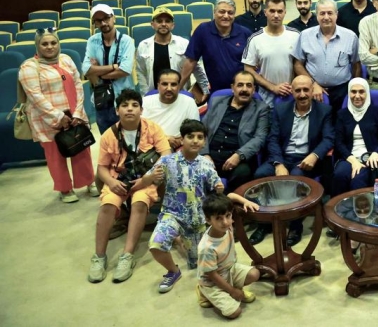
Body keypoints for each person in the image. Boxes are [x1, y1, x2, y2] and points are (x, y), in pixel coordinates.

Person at [135, 119, 259, 293]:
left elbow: (219, 193)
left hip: (197, 219)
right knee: (156, 244)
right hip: (172, 214)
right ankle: (173, 271)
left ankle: (182, 242)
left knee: (198, 263)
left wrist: (222, 190)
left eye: (200, 137)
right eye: (190, 136)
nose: (195, 141)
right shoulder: (167, 161)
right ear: (182, 139)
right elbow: (144, 181)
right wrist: (149, 178)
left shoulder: (206, 164)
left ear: (204, 141)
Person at [87, 89, 172, 283]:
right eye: (124, 106)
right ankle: (99, 256)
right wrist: (111, 182)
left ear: (141, 110)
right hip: (119, 179)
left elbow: (166, 155)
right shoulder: (109, 134)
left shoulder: (153, 129)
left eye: (134, 105)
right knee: (108, 205)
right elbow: (102, 168)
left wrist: (148, 178)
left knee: (139, 203)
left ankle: (127, 255)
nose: (130, 109)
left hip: (145, 179)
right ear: (117, 110)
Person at [252, 76, 334, 246]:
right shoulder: (281, 109)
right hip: (282, 157)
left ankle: (295, 226)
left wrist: (315, 155)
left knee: (296, 178)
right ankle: (264, 223)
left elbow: (328, 138)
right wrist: (278, 163)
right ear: (292, 93)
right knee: (260, 175)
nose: (302, 94)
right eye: (298, 90)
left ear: (312, 91)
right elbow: (272, 139)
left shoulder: (324, 111)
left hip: (306, 159)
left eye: (306, 90)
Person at [18, 28, 95, 202]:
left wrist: (77, 112)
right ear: (37, 45)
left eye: (53, 42)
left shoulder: (66, 59)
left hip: (74, 116)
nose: (50, 47)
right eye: (44, 44)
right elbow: (35, 96)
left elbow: (78, 85)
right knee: (56, 156)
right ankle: (65, 189)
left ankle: (89, 181)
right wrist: (59, 117)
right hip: (48, 120)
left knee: (82, 148)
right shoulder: (28, 67)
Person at [201, 71, 270, 194]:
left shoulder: (261, 108)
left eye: (249, 85)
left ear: (254, 89)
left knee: (243, 173)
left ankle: (230, 202)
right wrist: (205, 154)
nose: (244, 89)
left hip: (238, 160)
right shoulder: (217, 102)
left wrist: (239, 155)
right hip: (211, 157)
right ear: (233, 88)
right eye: (240, 85)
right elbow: (202, 130)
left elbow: (260, 137)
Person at [197, 193, 262, 319]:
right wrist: (232, 291)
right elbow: (212, 275)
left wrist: (246, 202)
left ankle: (231, 290)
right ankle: (203, 291)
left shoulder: (226, 226)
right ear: (208, 220)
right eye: (218, 218)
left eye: (228, 215)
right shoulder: (206, 248)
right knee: (234, 313)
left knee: (255, 273)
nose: (226, 222)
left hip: (229, 269)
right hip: (212, 282)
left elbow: (230, 196)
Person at [293, 0, 361, 115]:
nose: (326, 17)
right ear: (317, 15)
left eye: (330, 13)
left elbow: (356, 65)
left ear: (336, 15)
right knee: (317, 123)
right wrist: (313, 83)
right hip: (314, 91)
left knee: (340, 122)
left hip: (342, 91)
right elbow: (297, 64)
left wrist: (353, 88)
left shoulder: (350, 37)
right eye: (322, 13)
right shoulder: (305, 36)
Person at [332, 78, 378, 196]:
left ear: (367, 93)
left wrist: (376, 153)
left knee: (358, 180)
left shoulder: (377, 112)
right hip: (348, 158)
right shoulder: (342, 114)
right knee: (340, 175)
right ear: (349, 93)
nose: (357, 96)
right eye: (353, 92)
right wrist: (353, 160)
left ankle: (361, 208)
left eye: (361, 92)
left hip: (370, 158)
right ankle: (337, 207)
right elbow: (338, 142)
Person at [83, 4, 136, 135]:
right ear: (95, 23)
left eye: (106, 18)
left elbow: (125, 70)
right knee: (107, 139)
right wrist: (114, 66)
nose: (103, 23)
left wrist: (98, 72)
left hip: (123, 97)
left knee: (128, 138)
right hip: (101, 98)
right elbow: (86, 69)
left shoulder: (127, 41)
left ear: (114, 18)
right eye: (98, 20)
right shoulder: (92, 41)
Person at [181, 0, 253, 94]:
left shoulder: (245, 33)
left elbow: (255, 64)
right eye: (222, 12)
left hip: (243, 91)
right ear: (214, 13)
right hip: (217, 92)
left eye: (230, 13)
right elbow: (191, 61)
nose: (226, 16)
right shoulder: (203, 30)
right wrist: (179, 87)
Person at [135, 6, 209, 99]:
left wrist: (205, 89)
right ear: (152, 24)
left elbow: (195, 68)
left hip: (180, 94)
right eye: (159, 21)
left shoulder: (184, 44)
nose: (163, 24)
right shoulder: (143, 45)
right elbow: (141, 72)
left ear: (173, 25)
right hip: (154, 96)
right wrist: (146, 94)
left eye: (167, 21)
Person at [242, 0, 301, 107]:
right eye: (272, 11)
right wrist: (273, 87)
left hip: (293, 97)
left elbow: (301, 65)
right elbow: (248, 69)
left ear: (285, 12)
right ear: (265, 12)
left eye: (280, 11)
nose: (276, 15)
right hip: (265, 101)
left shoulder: (296, 35)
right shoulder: (255, 39)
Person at [142, 69, 201, 150]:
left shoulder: (189, 102)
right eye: (164, 84)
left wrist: (181, 141)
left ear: (179, 86)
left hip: (177, 147)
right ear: (158, 86)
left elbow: (195, 130)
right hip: (149, 146)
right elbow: (140, 130)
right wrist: (163, 139)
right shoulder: (145, 101)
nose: (169, 88)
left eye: (173, 84)